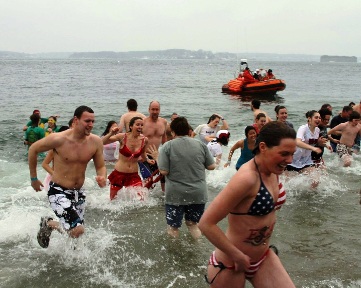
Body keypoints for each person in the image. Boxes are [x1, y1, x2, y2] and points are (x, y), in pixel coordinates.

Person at [199, 122, 296, 288]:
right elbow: (206, 223)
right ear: (263, 147)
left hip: (263, 257)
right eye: (284, 154)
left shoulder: (273, 170)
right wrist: (237, 255)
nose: (290, 160)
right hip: (232, 263)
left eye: (292, 154)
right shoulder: (247, 178)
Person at [28, 105, 107, 248]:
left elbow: (100, 166)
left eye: (93, 121)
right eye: (87, 121)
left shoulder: (95, 142)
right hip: (58, 191)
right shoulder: (59, 139)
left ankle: (52, 229)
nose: (91, 125)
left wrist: (102, 177)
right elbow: (33, 149)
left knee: (76, 236)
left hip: (78, 193)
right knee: (77, 229)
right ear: (76, 120)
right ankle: (49, 223)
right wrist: (34, 179)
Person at [157, 117, 216, 239]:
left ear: (173, 132)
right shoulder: (200, 145)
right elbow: (211, 166)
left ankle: (174, 254)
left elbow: (164, 171)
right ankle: (198, 251)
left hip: (176, 195)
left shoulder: (167, 147)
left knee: (173, 227)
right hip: (197, 193)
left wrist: (156, 157)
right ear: (189, 130)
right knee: (192, 224)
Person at [102, 117, 154, 200]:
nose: (140, 127)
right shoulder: (122, 137)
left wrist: (147, 160)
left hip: (133, 174)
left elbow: (143, 153)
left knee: (141, 199)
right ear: (131, 126)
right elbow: (102, 142)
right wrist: (111, 133)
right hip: (119, 173)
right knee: (113, 200)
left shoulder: (144, 140)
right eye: (137, 124)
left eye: (142, 125)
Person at [285, 110, 322, 188]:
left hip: (306, 160)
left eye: (319, 118)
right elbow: (297, 142)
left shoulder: (317, 130)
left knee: (316, 180)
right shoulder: (303, 128)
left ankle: (309, 196)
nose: (318, 119)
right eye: (316, 117)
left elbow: (312, 141)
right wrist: (313, 148)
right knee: (291, 186)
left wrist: (324, 145)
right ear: (309, 118)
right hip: (293, 160)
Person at [142, 100, 168, 191]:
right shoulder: (143, 122)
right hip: (144, 155)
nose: (155, 112)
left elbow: (164, 138)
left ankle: (164, 195)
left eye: (157, 109)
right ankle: (146, 197)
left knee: (163, 175)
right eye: (153, 109)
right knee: (149, 177)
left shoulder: (163, 122)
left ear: (159, 110)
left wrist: (166, 153)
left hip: (157, 154)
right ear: (149, 110)